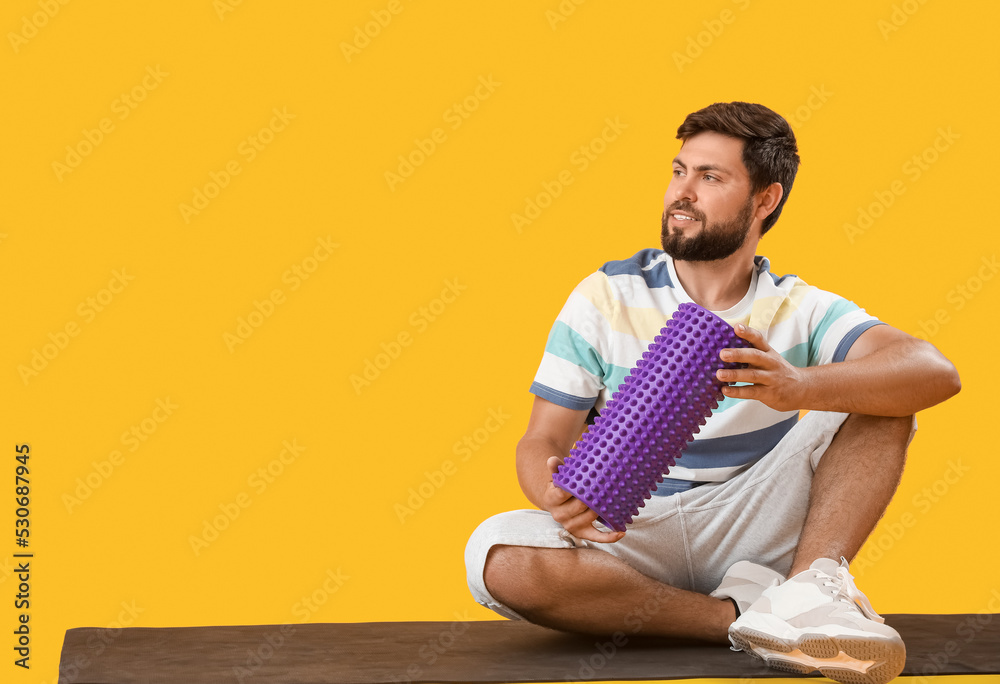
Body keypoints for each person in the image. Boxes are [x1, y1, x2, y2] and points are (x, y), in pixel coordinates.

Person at [464, 101, 961, 684]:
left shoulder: (795, 306)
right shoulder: (606, 295)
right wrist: (551, 494)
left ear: (765, 200)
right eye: (679, 171)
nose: (683, 192)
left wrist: (798, 384)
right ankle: (747, 616)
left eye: (711, 177)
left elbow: (934, 371)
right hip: (631, 530)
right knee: (497, 554)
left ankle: (808, 588)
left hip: (752, 519)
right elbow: (542, 437)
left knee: (888, 398)